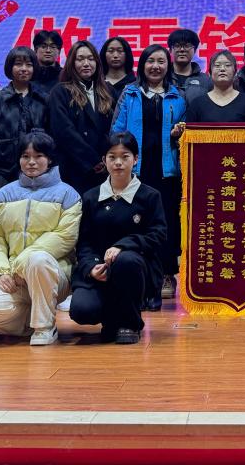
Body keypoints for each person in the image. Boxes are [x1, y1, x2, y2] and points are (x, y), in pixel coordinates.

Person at [0, 131, 82, 345]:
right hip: (15, 278)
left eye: (38, 156)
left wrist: (20, 266)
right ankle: (32, 323)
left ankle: (44, 327)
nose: (31, 162)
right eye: (25, 156)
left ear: (49, 159)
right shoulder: (2, 195)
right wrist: (0, 273)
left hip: (53, 275)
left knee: (38, 259)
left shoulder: (68, 195)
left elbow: (65, 237)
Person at [70, 133, 167, 344]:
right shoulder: (91, 197)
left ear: (136, 159)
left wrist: (123, 246)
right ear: (104, 160)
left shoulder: (150, 196)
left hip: (136, 268)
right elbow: (84, 242)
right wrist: (91, 268)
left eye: (125, 156)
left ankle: (130, 323)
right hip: (100, 268)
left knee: (125, 261)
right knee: (81, 310)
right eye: (112, 157)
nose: (118, 162)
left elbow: (158, 235)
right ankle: (112, 320)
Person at [112, 44, 187, 301]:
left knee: (166, 225)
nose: (155, 66)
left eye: (161, 61)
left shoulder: (178, 96)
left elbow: (187, 134)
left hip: (168, 172)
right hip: (136, 171)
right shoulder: (130, 93)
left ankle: (166, 274)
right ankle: (135, 274)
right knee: (135, 223)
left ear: (168, 65)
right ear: (142, 65)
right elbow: (117, 130)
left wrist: (179, 134)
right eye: (150, 61)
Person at [0, 46, 50, 190]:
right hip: (2, 174)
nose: (24, 69)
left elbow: (53, 136)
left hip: (39, 172)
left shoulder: (44, 100)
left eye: (29, 64)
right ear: (9, 67)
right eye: (18, 64)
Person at [47, 40, 115, 196]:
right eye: (80, 59)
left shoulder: (108, 90)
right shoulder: (60, 91)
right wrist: (93, 161)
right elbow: (64, 132)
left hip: (107, 168)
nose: (86, 64)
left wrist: (108, 160)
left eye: (91, 59)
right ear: (71, 63)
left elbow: (115, 128)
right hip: (74, 167)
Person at [185, 50, 245, 123]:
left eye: (227, 65)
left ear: (235, 72)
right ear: (209, 73)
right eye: (217, 65)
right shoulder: (197, 104)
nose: (222, 69)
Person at [168, 28, 213, 103]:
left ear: (194, 50)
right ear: (170, 50)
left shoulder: (206, 80)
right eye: (177, 46)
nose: (182, 50)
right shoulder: (163, 77)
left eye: (187, 46)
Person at [31, 29, 63, 96]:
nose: (48, 50)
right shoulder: (29, 75)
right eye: (43, 46)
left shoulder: (66, 76)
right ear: (35, 50)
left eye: (53, 47)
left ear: (59, 52)